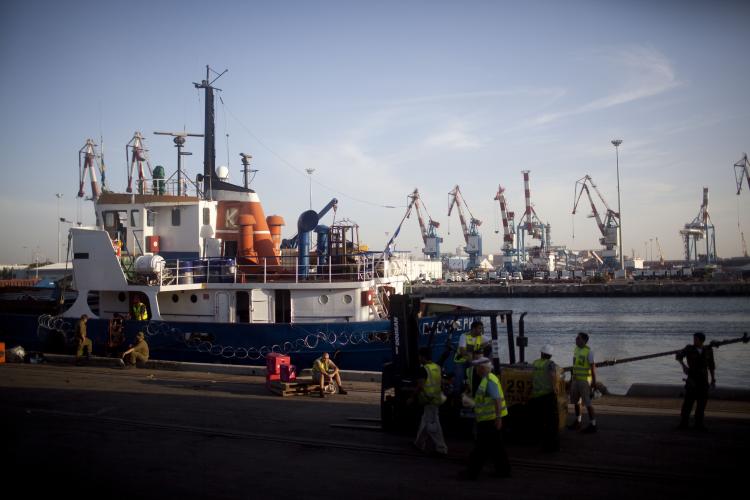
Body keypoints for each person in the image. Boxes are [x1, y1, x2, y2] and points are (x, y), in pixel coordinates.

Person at [459, 357, 511, 480]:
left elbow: (497, 399)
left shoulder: (489, 380)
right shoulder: (486, 380)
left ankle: (471, 473)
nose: (476, 370)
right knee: (496, 448)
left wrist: (498, 418)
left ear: (482, 368)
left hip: (490, 420)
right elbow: (483, 402)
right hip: (488, 419)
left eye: (477, 367)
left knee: (481, 449)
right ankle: (503, 470)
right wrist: (469, 401)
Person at [410, 347, 448, 456]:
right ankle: (418, 443)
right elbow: (441, 383)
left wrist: (412, 397)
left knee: (433, 425)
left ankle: (441, 448)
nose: (418, 358)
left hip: (428, 400)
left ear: (422, 357)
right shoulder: (437, 367)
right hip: (436, 398)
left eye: (419, 356)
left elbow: (420, 386)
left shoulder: (423, 369)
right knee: (425, 422)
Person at [676, 332, 716, 431]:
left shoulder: (708, 350)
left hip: (703, 380)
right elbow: (678, 356)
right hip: (692, 379)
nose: (694, 341)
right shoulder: (689, 348)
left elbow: (711, 366)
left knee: (702, 403)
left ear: (701, 340)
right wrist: (684, 366)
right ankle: (683, 424)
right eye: (694, 339)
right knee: (688, 402)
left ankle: (699, 424)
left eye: (696, 339)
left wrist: (713, 379)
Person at [529, 344, 560, 451]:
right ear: (550, 355)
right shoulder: (550, 364)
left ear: (541, 353)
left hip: (536, 395)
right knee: (552, 421)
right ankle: (551, 445)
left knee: (540, 420)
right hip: (548, 395)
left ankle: (539, 441)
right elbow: (553, 376)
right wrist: (555, 388)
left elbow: (532, 377)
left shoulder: (535, 363)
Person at [568, 332, 597, 433]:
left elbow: (593, 368)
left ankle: (593, 424)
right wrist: (571, 379)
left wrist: (594, 382)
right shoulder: (576, 350)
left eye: (578, 338)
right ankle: (578, 422)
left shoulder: (589, 352)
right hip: (576, 380)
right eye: (576, 338)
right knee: (576, 402)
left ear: (584, 341)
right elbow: (574, 365)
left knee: (588, 403)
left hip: (584, 381)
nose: (576, 339)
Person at [453, 321, 490, 394]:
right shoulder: (464, 336)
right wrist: (473, 353)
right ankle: (456, 394)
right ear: (473, 329)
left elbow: (492, 341)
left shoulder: (481, 337)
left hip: (472, 361)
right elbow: (462, 351)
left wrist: (484, 346)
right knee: (459, 378)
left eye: (482, 328)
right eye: (480, 328)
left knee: (474, 378)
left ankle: (472, 391)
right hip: (461, 361)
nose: (481, 330)